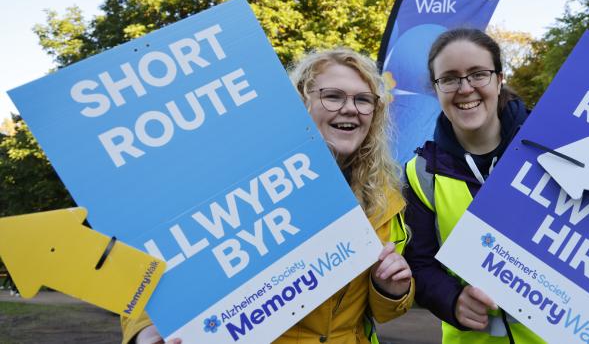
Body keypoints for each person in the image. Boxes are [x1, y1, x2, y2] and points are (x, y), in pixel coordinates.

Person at [122, 48, 414, 344]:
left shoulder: (383, 199)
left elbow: (382, 311)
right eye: (334, 96)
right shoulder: (240, 180)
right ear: (301, 103)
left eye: (362, 100)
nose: (350, 108)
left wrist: (391, 288)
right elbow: (161, 268)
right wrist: (145, 331)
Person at [403, 28, 546, 343]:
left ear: (499, 78)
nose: (465, 88)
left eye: (478, 74)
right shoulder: (421, 173)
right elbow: (420, 264)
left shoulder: (551, 150)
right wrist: (453, 300)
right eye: (450, 78)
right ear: (436, 88)